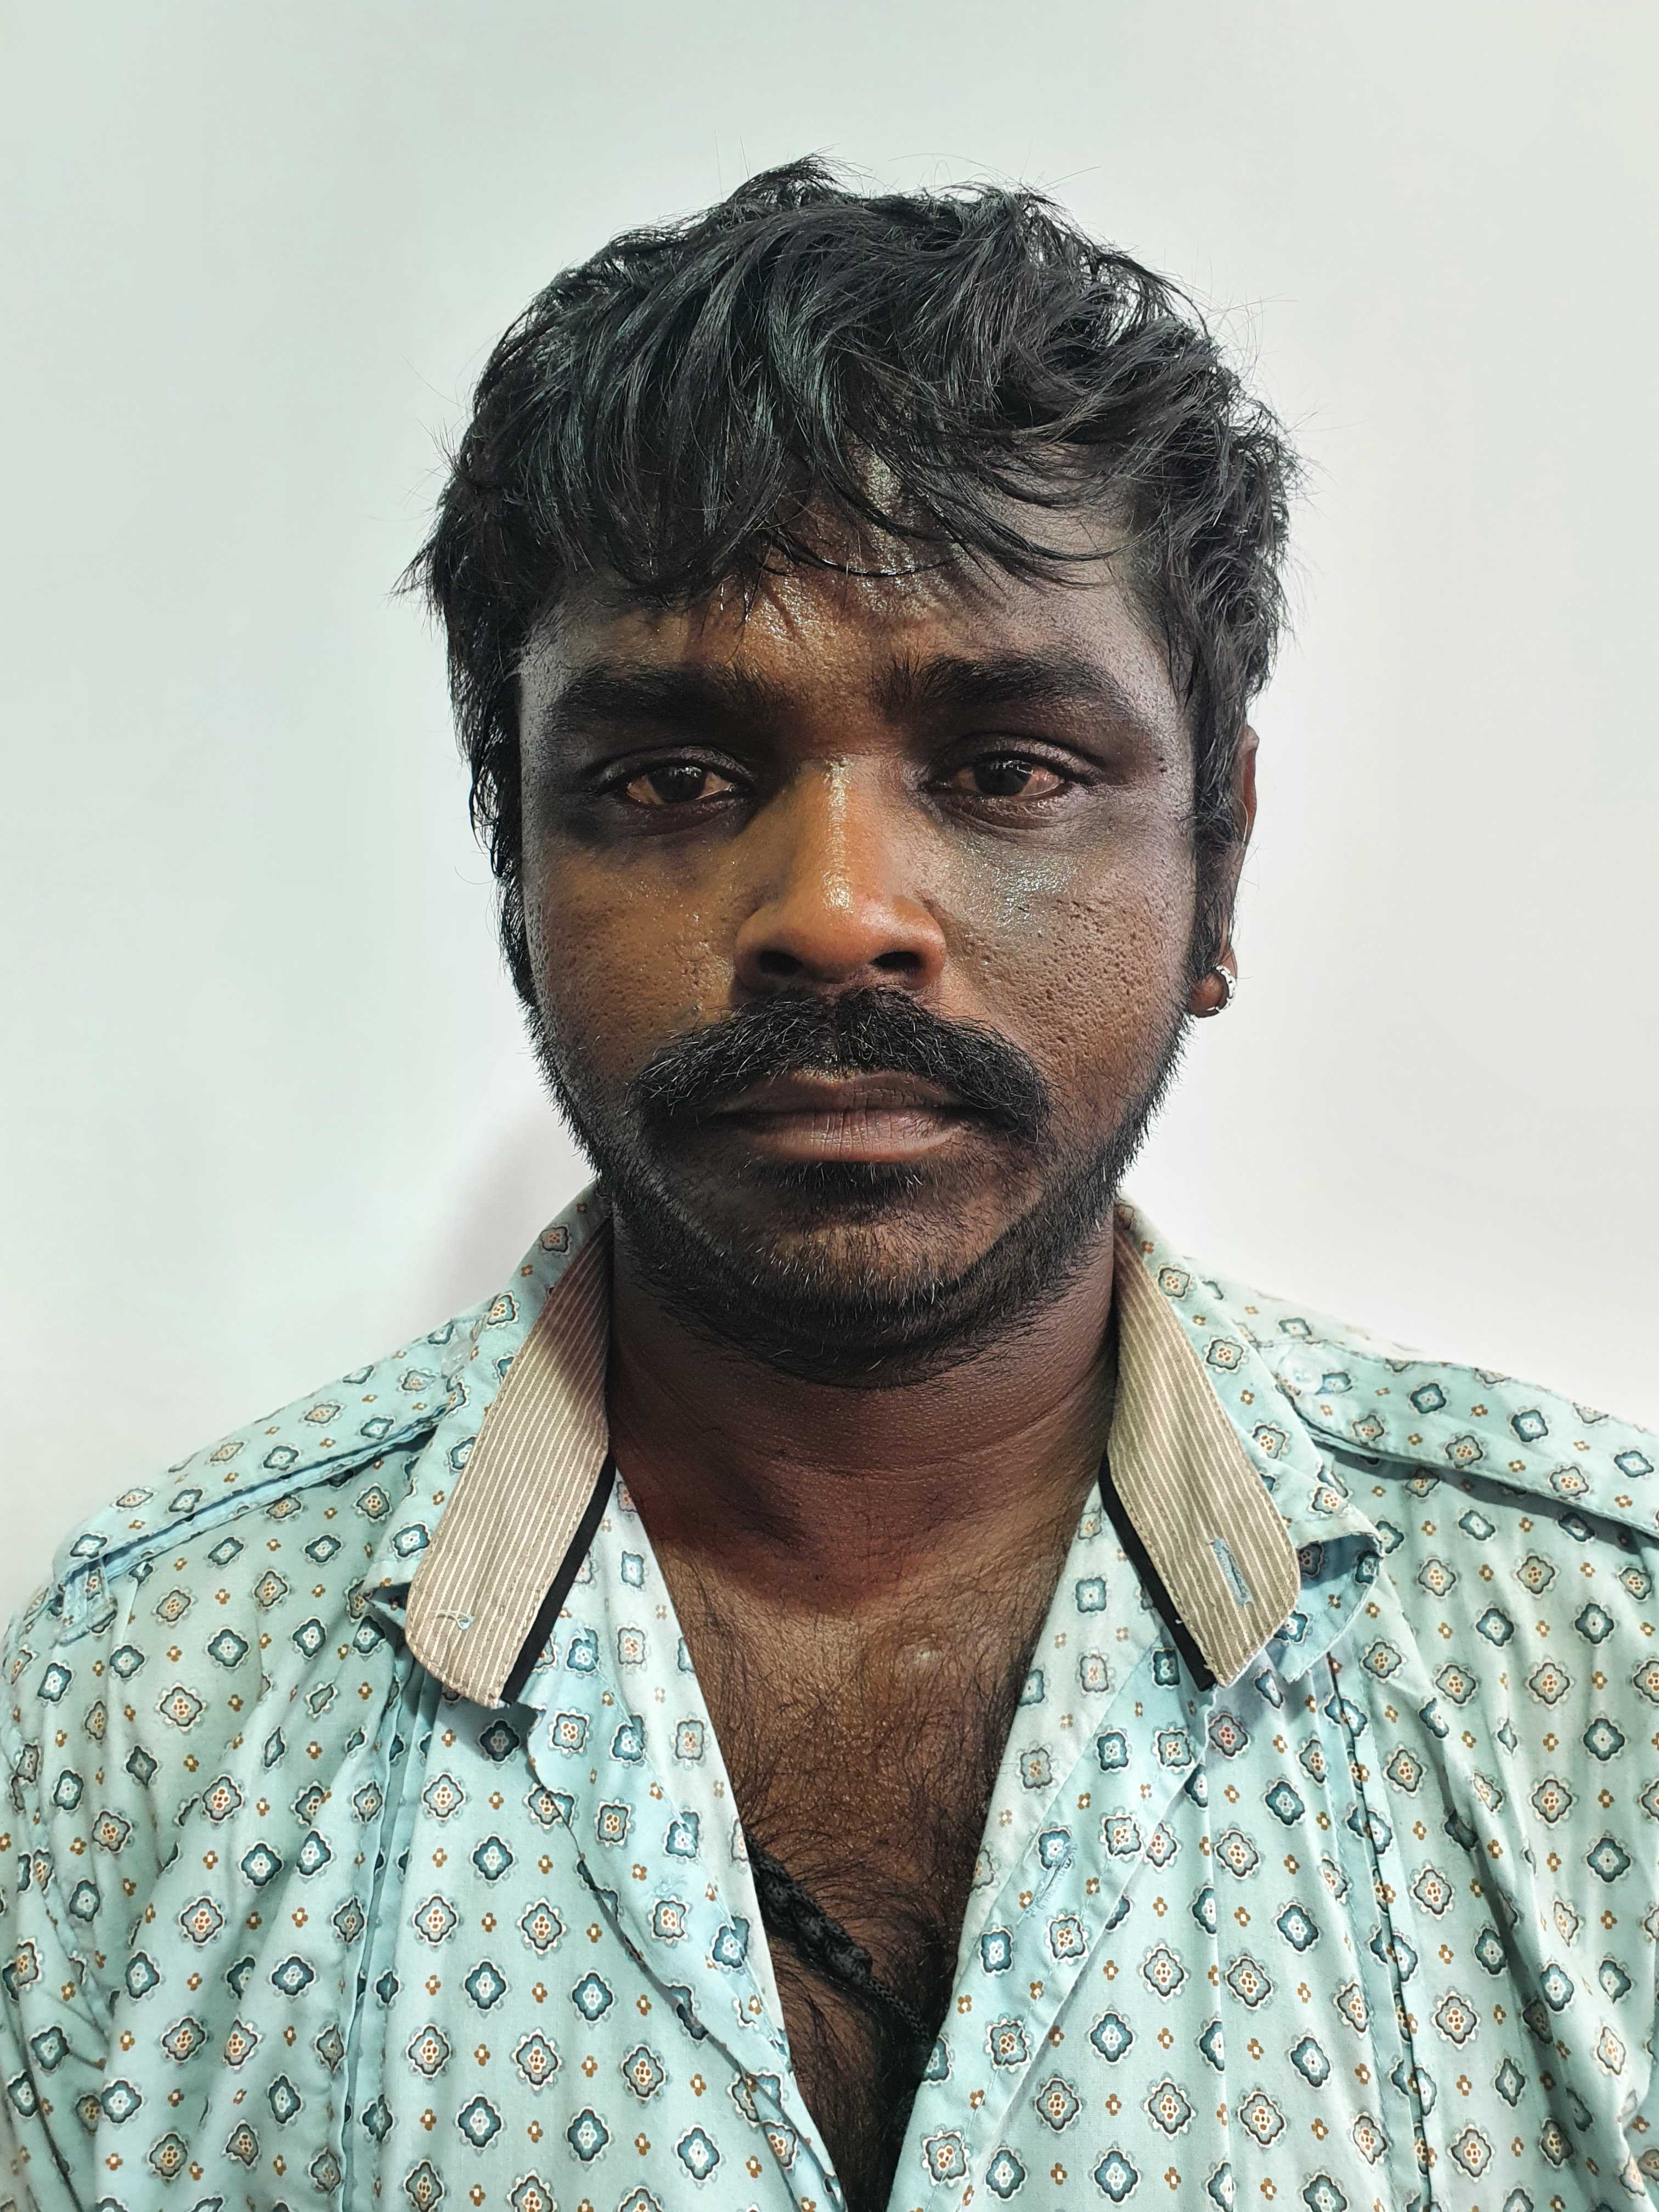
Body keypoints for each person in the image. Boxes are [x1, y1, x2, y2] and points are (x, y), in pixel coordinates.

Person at [3, 159, 1655, 2212]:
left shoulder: (1597, 1654)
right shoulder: (143, 1702)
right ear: (515, 869)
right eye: (675, 778)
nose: (838, 910)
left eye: (1008, 769)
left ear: (1216, 863)